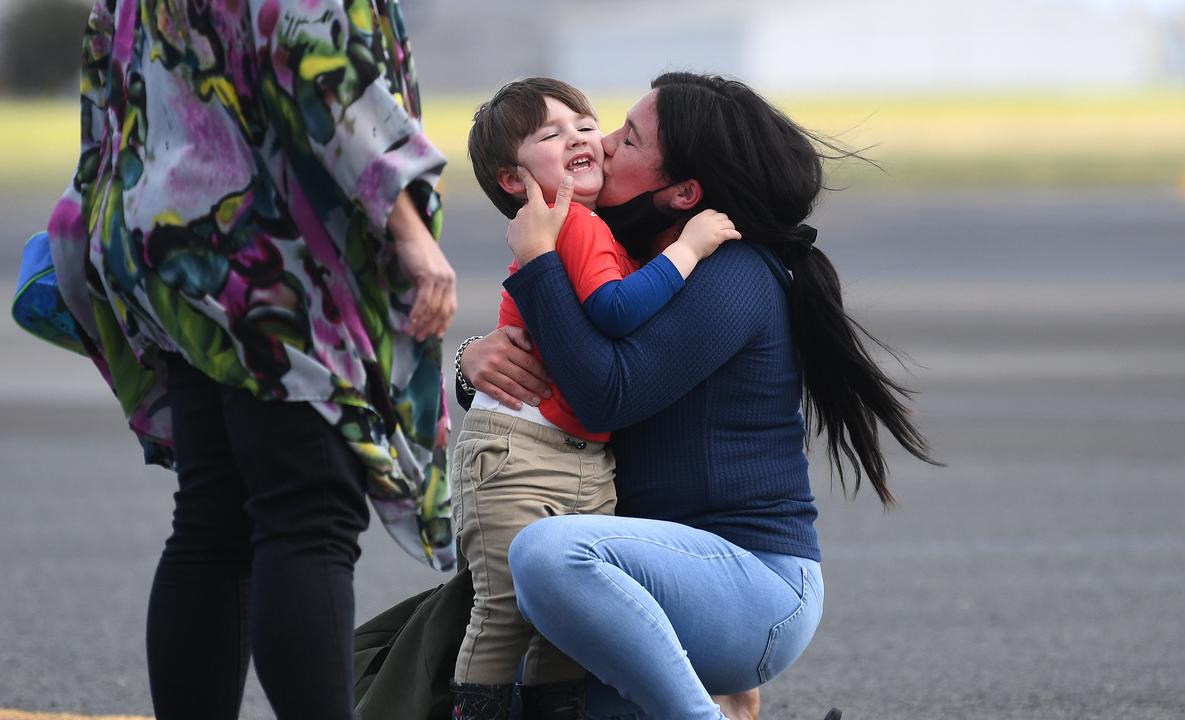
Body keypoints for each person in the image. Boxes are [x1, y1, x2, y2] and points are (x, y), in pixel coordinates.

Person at [460, 71, 938, 720]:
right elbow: (557, 367)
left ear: (682, 191)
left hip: (753, 586)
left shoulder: (733, 274)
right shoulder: (631, 253)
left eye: (627, 140)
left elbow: (605, 393)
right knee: (509, 697)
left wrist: (541, 263)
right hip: (636, 576)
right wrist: (473, 361)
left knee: (546, 554)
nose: (600, 145)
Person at [44, 1, 455, 717]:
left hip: (169, 229)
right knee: (306, 514)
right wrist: (407, 225)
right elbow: (311, 58)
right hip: (268, 249)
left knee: (216, 519)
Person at [451, 77, 738, 718]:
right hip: (523, 451)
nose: (583, 137)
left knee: (564, 626)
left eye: (586, 123)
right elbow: (612, 310)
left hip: (576, 455)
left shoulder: (590, 226)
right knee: (505, 614)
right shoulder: (574, 226)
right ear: (510, 179)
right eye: (550, 134)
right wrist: (690, 248)